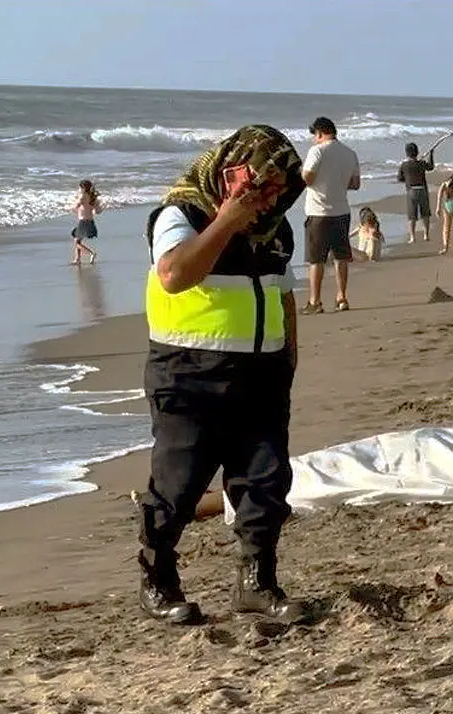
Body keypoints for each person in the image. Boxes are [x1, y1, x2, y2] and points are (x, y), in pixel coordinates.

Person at [138, 125, 307, 626]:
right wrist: (226, 222)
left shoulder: (276, 229)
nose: (268, 198)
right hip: (188, 374)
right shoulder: (181, 214)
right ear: (231, 172)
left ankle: (257, 582)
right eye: (260, 184)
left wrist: (289, 358)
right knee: (179, 484)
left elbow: (284, 294)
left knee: (265, 482)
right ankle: (157, 578)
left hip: (262, 373)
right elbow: (174, 274)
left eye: (279, 188)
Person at [302, 117, 360, 313]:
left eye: (314, 136)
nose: (313, 140)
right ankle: (342, 297)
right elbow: (355, 184)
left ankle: (315, 301)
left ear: (319, 133)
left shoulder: (317, 151)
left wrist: (301, 173)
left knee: (316, 259)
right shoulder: (350, 153)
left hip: (319, 211)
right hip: (341, 210)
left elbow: (308, 178)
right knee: (340, 257)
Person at [397, 142, 435, 243]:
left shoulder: (404, 165)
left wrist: (408, 178)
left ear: (406, 153)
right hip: (422, 189)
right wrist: (431, 155)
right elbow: (431, 167)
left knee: (412, 215)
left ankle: (412, 237)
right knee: (425, 213)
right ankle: (426, 234)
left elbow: (400, 178)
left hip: (411, 191)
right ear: (417, 152)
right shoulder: (421, 163)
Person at [71, 179, 102, 265]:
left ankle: (91, 253)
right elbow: (98, 211)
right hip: (90, 221)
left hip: (83, 222)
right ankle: (77, 259)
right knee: (78, 239)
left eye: (80, 188)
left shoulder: (83, 196)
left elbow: (75, 207)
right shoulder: (93, 197)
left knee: (76, 241)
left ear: (82, 188)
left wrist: (74, 202)